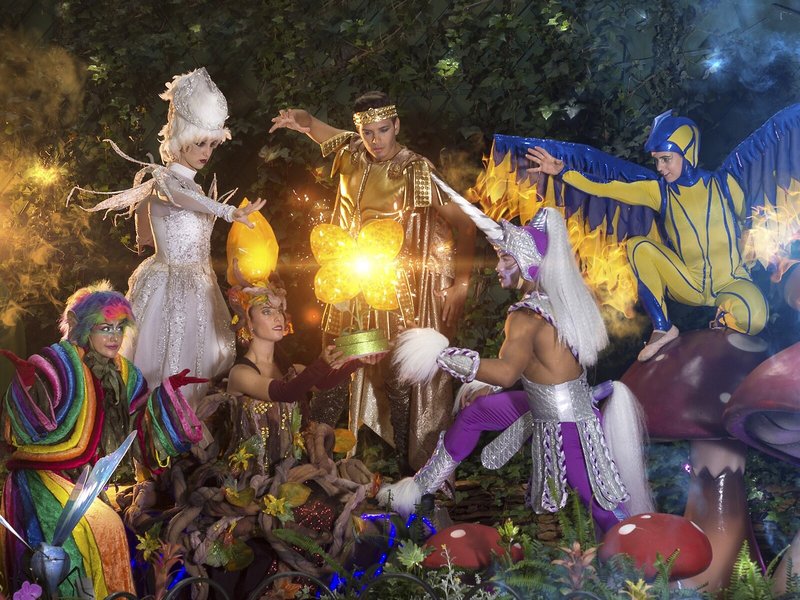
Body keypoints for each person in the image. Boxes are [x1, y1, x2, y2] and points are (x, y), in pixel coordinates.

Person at [379, 192, 652, 532]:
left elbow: (508, 372)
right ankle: (419, 488)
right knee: (476, 412)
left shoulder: (525, 316)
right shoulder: (557, 301)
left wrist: (440, 355)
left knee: (601, 505)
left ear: (529, 263)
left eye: (506, 259)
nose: (498, 267)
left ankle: (643, 552)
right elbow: (535, 366)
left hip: (564, 422)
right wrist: (487, 385)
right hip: (552, 404)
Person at [269, 92, 475, 470]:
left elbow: (465, 222)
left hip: (393, 296)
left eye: (383, 130)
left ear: (396, 125)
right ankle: (315, 464)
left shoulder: (415, 169)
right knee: (335, 367)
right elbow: (313, 125)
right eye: (368, 132)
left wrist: (460, 283)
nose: (376, 140)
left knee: (398, 379)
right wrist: (300, 120)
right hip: (351, 288)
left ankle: (410, 473)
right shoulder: (351, 152)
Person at [0, 282, 205, 598]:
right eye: (105, 328)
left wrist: (165, 398)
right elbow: (25, 426)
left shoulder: (127, 374)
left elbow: (139, 429)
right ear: (84, 329)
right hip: (45, 476)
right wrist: (28, 387)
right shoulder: (60, 362)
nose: (114, 336)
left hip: (91, 483)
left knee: (115, 529)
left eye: (120, 327)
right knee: (102, 529)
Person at [73, 67, 265, 401]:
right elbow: (179, 198)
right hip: (171, 284)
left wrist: (146, 234)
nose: (206, 152)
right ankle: (157, 423)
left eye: (211, 144)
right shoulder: (164, 180)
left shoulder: (193, 185)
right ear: (180, 140)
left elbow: (155, 211)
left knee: (200, 362)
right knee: (164, 363)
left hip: (200, 283)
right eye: (199, 143)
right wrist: (227, 211)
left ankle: (187, 424)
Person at [522, 111, 769, 361]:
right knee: (638, 247)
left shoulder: (724, 185)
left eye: (666, 159)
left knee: (755, 318)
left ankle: (723, 320)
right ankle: (662, 327)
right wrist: (563, 172)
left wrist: (755, 245)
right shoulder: (657, 192)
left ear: (687, 153)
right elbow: (606, 188)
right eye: (657, 161)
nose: (660, 168)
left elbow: (753, 219)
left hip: (732, 280)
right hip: (690, 284)